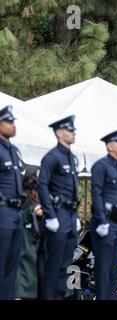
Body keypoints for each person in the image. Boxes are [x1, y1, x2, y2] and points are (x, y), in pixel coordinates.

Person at [38, 115, 80, 300]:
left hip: (70, 216)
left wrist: (76, 215)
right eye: (70, 130)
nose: (74, 133)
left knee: (65, 266)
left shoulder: (71, 157)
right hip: (58, 214)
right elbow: (42, 185)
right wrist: (50, 215)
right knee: (53, 267)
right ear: (59, 133)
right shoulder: (52, 157)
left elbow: (73, 191)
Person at [90, 129, 117, 300]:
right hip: (105, 223)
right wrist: (101, 220)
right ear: (109, 146)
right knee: (104, 271)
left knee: (114, 271)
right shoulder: (101, 166)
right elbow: (97, 194)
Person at [0, 105, 24, 300]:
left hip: (16, 213)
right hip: (2, 212)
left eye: (13, 121)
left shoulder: (14, 150)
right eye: (9, 122)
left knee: (12, 266)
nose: (13, 125)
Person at [15, 166, 44, 299]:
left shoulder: (44, 198)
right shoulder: (23, 199)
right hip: (26, 246)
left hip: (40, 247)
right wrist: (32, 212)